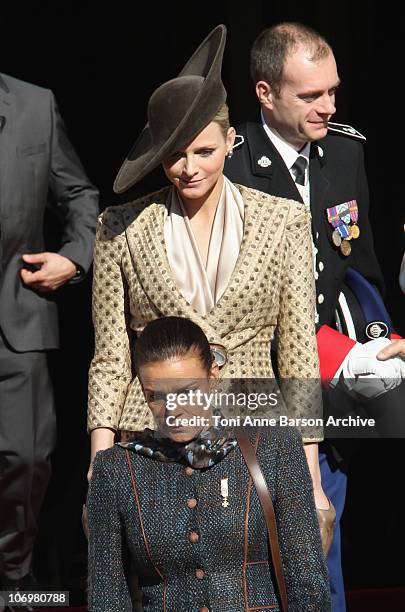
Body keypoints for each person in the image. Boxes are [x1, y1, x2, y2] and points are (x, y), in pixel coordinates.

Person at [87, 25, 331, 532]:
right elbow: (111, 358)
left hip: (255, 433)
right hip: (152, 437)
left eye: (203, 151)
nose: (189, 168)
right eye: (174, 155)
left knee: (250, 587)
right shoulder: (120, 227)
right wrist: (98, 465)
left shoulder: (283, 221)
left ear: (230, 141)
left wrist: (310, 471)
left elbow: (297, 352)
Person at [224, 21, 404, 611]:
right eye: (310, 95)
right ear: (264, 92)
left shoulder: (346, 151)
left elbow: (362, 264)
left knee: (322, 541)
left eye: (333, 90)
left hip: (328, 383)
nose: (328, 105)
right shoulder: (228, 162)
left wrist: (378, 342)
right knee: (251, 551)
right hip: (252, 385)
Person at [87, 315, 331, 611]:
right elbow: (107, 597)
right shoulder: (116, 469)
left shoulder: (274, 447)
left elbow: (307, 583)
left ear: (213, 375)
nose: (173, 410)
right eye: (157, 396)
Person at [0, 72, 99, 605]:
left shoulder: (36, 105)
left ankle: (12, 578)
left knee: (27, 458)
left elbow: (79, 193)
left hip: (14, 317)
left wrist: (75, 255)